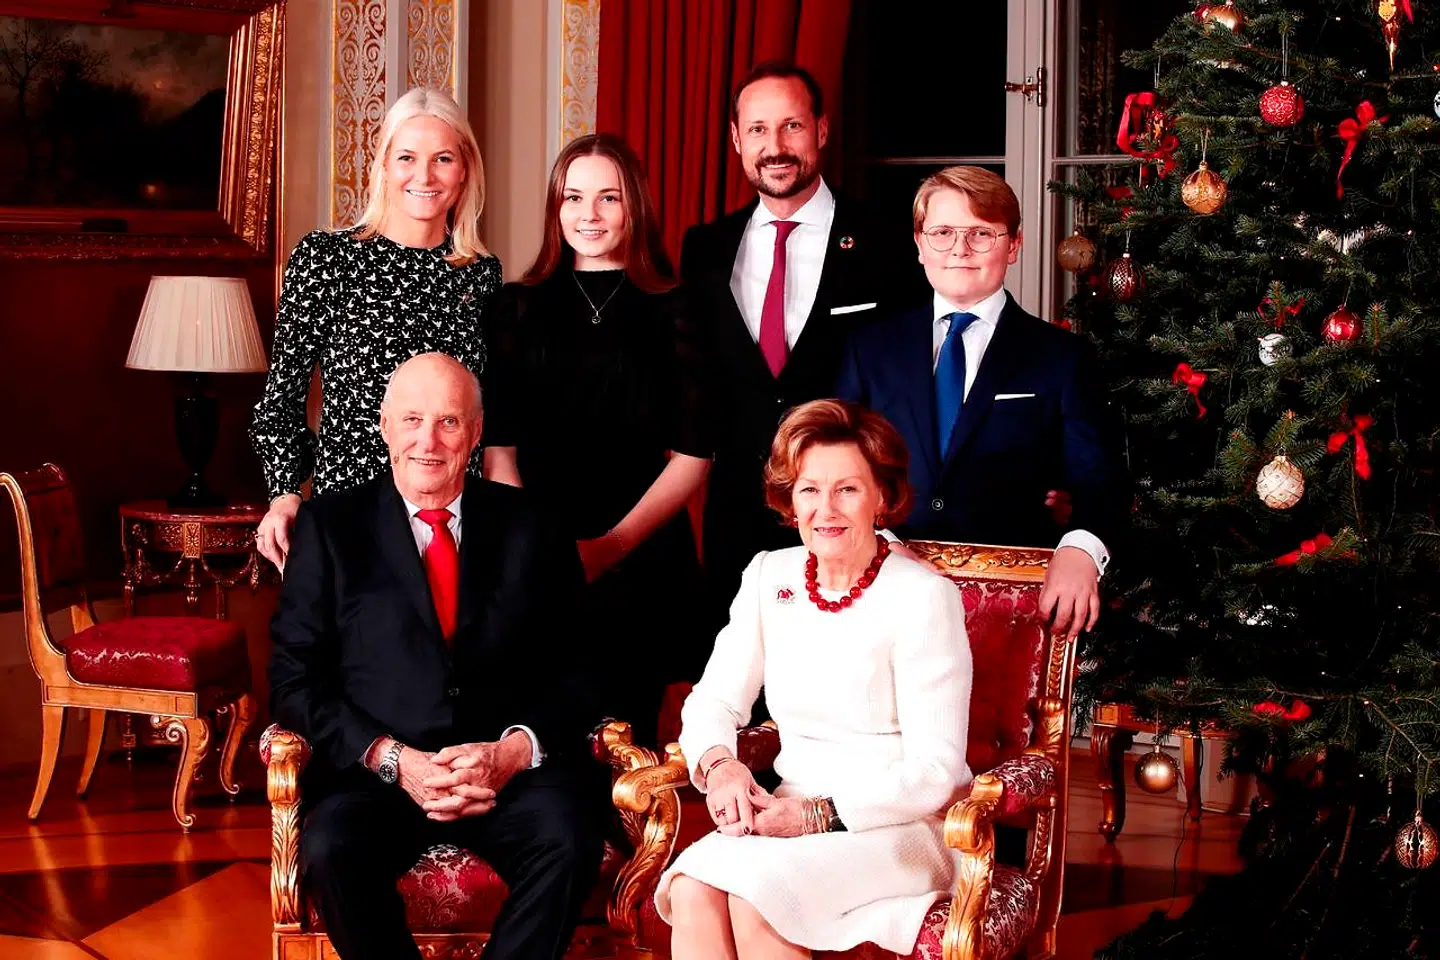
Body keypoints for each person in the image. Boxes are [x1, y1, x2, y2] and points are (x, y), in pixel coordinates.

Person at [269, 353, 603, 960]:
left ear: (476, 433)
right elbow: (294, 678)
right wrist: (393, 758)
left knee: (569, 837)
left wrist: (510, 752)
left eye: (449, 422)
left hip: (506, 774)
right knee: (329, 848)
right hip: (380, 775)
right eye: (413, 419)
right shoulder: (329, 527)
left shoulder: (534, 525)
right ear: (384, 425)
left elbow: (582, 670)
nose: (429, 440)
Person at [655, 399, 972, 958]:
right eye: (808, 489)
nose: (826, 509)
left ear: (882, 497)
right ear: (788, 498)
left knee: (758, 896)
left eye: (847, 489)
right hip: (786, 808)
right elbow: (713, 701)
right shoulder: (768, 576)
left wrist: (816, 816)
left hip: (899, 825)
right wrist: (721, 766)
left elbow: (937, 773)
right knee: (692, 886)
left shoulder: (923, 596)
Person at [481, 134, 711, 743]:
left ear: (634, 206)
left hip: (641, 548)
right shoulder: (516, 306)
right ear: (555, 208)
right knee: (540, 733)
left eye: (608, 198)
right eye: (573, 197)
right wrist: (537, 547)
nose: (589, 214)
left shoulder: (676, 308)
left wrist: (611, 546)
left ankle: (634, 841)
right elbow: (498, 451)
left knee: (626, 737)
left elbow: (694, 456)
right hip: (537, 545)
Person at [836, 166, 1129, 640]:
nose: (959, 248)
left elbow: (1100, 478)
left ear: (1013, 246)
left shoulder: (1063, 358)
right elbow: (837, 466)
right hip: (879, 581)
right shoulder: (869, 348)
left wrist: (1080, 548)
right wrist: (876, 544)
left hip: (1012, 596)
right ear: (919, 244)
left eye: (981, 234)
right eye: (943, 232)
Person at [679, 61, 920, 629]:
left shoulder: (886, 243)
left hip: (851, 516)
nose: (775, 146)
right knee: (743, 701)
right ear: (737, 139)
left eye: (792, 126)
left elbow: (908, 384)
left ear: (821, 131)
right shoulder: (705, 249)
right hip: (737, 522)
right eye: (758, 130)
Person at [251, 87, 502, 572]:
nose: (424, 176)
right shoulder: (327, 259)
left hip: (450, 525)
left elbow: (485, 416)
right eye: (407, 156)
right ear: (384, 164)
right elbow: (280, 399)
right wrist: (284, 493)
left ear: (465, 168)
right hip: (350, 518)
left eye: (443, 158)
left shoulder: (481, 274)